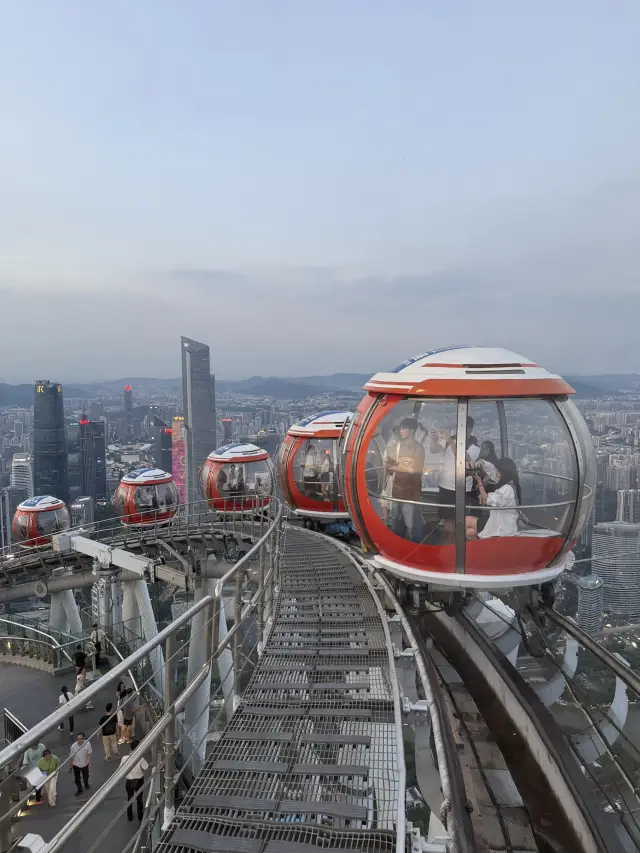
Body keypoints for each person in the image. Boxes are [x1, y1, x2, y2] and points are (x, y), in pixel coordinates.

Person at [430, 416, 480, 542]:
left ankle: (459, 545)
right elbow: (434, 450)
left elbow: (462, 458)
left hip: (463, 487)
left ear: (469, 429)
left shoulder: (474, 446)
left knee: (460, 518)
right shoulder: (450, 439)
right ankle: (448, 543)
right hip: (445, 485)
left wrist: (451, 442)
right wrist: (433, 439)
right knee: (447, 517)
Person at [386, 418, 425, 542]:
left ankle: (415, 550)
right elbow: (388, 466)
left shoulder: (419, 449)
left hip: (411, 493)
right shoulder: (396, 447)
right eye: (401, 428)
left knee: (412, 526)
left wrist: (400, 467)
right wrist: (405, 468)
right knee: (396, 525)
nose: (401, 431)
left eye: (404, 428)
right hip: (397, 491)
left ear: (412, 430)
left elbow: (417, 470)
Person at [471, 458, 521, 539]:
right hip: (499, 521)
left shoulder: (507, 489)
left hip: (501, 527)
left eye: (497, 470)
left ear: (504, 472)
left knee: (465, 522)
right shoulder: (510, 483)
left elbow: (485, 499)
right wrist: (482, 462)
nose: (495, 471)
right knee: (470, 531)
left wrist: (480, 482)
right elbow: (491, 470)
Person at [121, 739, 148, 822]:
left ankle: (130, 817)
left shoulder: (124, 758)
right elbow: (146, 767)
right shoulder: (140, 758)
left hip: (129, 781)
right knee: (139, 799)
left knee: (129, 798)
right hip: (139, 780)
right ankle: (140, 816)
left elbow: (121, 769)